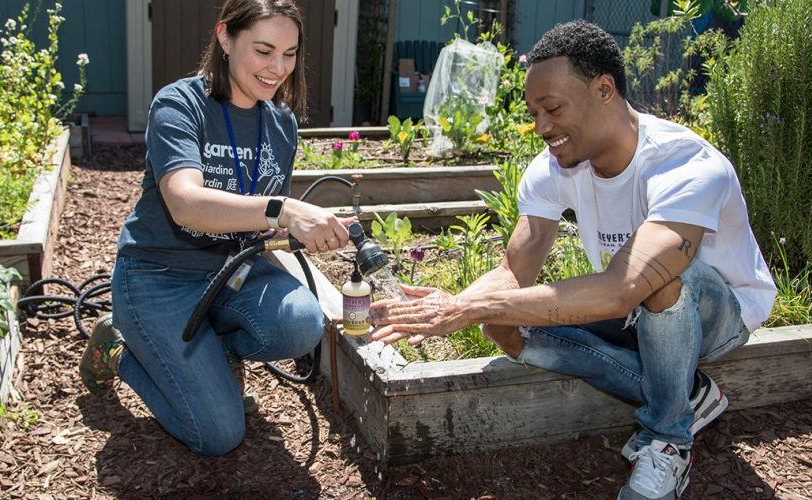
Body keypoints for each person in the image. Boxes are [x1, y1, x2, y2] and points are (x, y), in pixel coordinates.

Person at [368, 20, 775, 500]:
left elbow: (625, 286)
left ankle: (668, 438)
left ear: (605, 89)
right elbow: (513, 272)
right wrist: (449, 307)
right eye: (534, 112)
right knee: (503, 325)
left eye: (553, 108)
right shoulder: (553, 167)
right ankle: (685, 394)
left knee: (662, 280)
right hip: (634, 310)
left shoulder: (684, 165)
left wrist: (470, 307)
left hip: (717, 315)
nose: (541, 127)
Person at [78, 0, 352, 456]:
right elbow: (186, 203)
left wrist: (303, 231)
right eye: (263, 50)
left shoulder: (281, 122)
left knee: (302, 323)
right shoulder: (180, 104)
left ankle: (214, 352)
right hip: (159, 277)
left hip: (232, 272)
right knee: (218, 436)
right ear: (225, 37)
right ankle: (121, 349)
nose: (277, 67)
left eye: (289, 53)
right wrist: (283, 209)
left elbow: (257, 225)